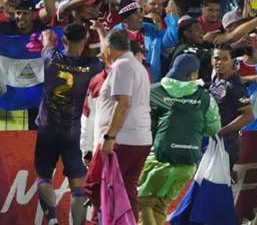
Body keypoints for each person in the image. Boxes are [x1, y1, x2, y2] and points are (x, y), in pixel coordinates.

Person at [137, 54, 221, 225]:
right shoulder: (205, 97)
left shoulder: (153, 91)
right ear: (192, 74)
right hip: (188, 163)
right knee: (160, 206)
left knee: (143, 202)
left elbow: (139, 123)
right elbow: (214, 128)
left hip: (157, 160)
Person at [34, 24, 103, 225]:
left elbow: (46, 37)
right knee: (78, 187)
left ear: (64, 40)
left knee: (44, 177)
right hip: (73, 133)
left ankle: (53, 220)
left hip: (47, 129)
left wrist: (49, 34)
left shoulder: (50, 58)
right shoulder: (92, 66)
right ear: (85, 40)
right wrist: (99, 30)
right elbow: (108, 52)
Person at [85, 29, 152, 219]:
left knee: (97, 186)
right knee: (127, 189)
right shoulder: (138, 66)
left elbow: (123, 103)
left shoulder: (121, 66)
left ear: (109, 48)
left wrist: (109, 137)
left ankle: (106, 220)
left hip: (122, 139)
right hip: (140, 139)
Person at [205, 44, 253, 169]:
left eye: (225, 59)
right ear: (211, 60)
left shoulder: (235, 86)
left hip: (227, 143)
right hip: (212, 140)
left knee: (219, 184)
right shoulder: (216, 78)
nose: (219, 62)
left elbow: (248, 115)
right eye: (216, 58)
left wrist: (221, 132)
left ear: (233, 61)